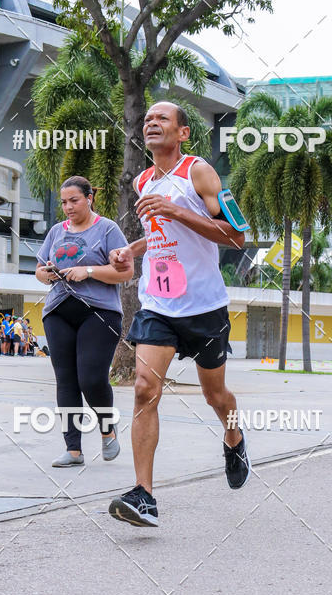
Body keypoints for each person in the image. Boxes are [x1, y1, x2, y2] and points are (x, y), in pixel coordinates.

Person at [107, 102, 251, 528]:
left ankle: (233, 435)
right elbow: (157, 236)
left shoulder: (198, 173)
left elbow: (237, 236)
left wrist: (177, 210)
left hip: (204, 306)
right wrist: (129, 251)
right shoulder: (143, 179)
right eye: (148, 119)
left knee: (215, 396)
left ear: (183, 133)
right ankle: (144, 496)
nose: (152, 123)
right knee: (143, 388)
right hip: (158, 304)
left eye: (162, 119)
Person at [35, 176, 133, 467]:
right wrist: (49, 274)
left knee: (90, 378)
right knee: (66, 380)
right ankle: (73, 449)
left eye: (74, 200)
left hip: (99, 311)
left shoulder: (108, 229)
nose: (68, 207)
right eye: (64, 202)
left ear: (90, 198)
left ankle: (107, 428)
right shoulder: (55, 232)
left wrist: (88, 271)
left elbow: (125, 273)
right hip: (58, 311)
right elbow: (40, 270)